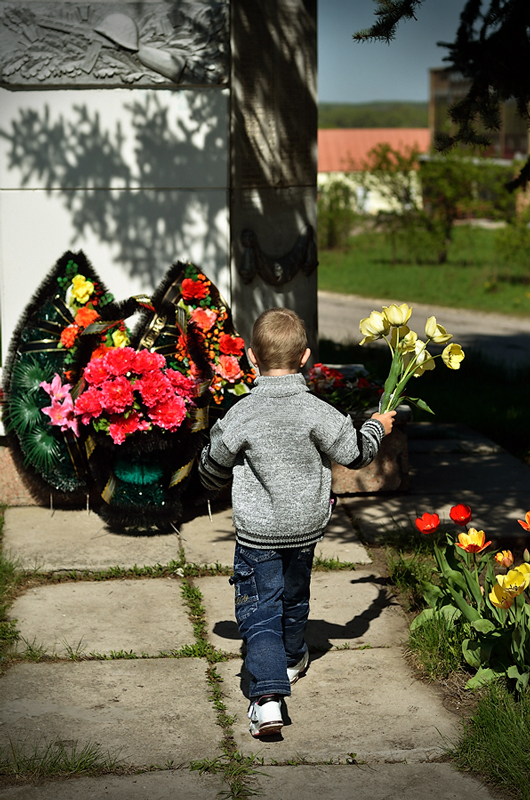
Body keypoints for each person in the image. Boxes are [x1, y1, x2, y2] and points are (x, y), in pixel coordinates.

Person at [199, 308, 395, 738]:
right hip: (305, 528)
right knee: (293, 594)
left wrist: (209, 473)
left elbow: (212, 467)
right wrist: (377, 427)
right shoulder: (319, 412)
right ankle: (289, 661)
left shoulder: (242, 413)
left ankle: (266, 699)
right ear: (305, 357)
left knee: (259, 611)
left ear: (252, 357)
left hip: (258, 534)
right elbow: (357, 454)